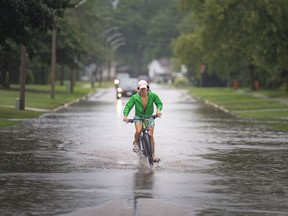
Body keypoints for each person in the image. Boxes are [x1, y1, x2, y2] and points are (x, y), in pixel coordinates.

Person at [123, 80, 163, 162]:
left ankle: (153, 155)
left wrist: (158, 110)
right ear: (138, 89)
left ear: (147, 88)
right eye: (141, 89)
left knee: (151, 135)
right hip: (138, 117)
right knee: (138, 131)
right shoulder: (135, 97)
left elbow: (159, 103)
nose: (143, 90)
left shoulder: (152, 95)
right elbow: (128, 106)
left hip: (149, 117)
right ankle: (136, 143)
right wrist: (125, 116)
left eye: (144, 88)